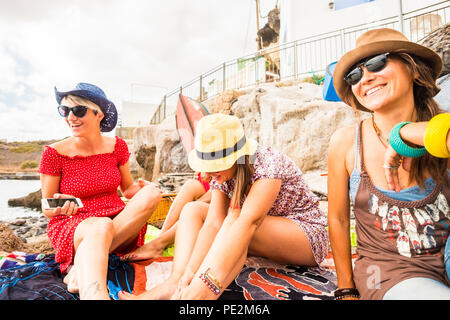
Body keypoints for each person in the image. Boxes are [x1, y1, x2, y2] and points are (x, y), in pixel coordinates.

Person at [119, 113, 329, 300]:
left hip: (305, 235)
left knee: (236, 222)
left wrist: (204, 279)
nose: (207, 174)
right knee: (192, 210)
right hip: (259, 230)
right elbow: (212, 224)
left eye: (213, 166)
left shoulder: (268, 164)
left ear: (235, 157)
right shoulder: (225, 171)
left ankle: (196, 295)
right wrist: (188, 272)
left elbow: (245, 224)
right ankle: (174, 283)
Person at [328, 28, 450, 300]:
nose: (366, 77)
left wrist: (407, 133)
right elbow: (336, 219)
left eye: (377, 62)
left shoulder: (442, 126)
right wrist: (345, 290)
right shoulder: (346, 143)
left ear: (414, 69)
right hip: (390, 271)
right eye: (354, 75)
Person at [39, 82, 162, 299]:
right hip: (76, 225)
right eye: (65, 111)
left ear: (99, 114)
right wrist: (60, 207)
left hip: (118, 221)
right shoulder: (54, 153)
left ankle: (81, 266)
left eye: (78, 110)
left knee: (152, 194)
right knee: (100, 225)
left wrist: (144, 188)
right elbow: (46, 206)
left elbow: (127, 190)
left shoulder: (118, 146)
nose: (70, 117)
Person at [122, 172, 211, 261]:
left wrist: (195, 204)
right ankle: (161, 237)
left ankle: (158, 244)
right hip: (212, 184)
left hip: (220, 194)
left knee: (193, 209)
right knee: (191, 185)